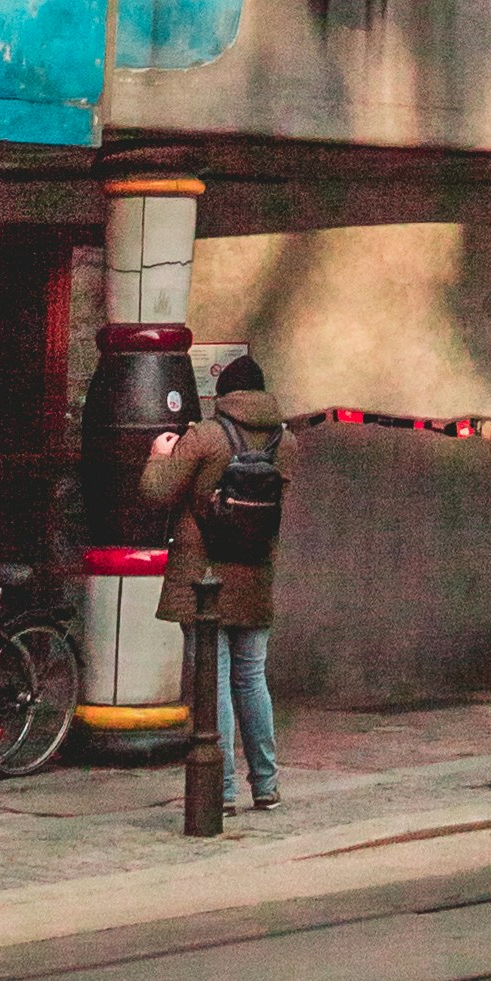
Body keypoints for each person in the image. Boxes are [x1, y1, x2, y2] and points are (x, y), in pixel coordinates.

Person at [143, 350, 289, 817]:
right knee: (252, 677)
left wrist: (158, 455)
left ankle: (221, 790)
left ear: (223, 395)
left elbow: (156, 492)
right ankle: (265, 785)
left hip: (203, 579)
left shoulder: (205, 438)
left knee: (215, 684)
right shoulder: (285, 443)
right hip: (255, 574)